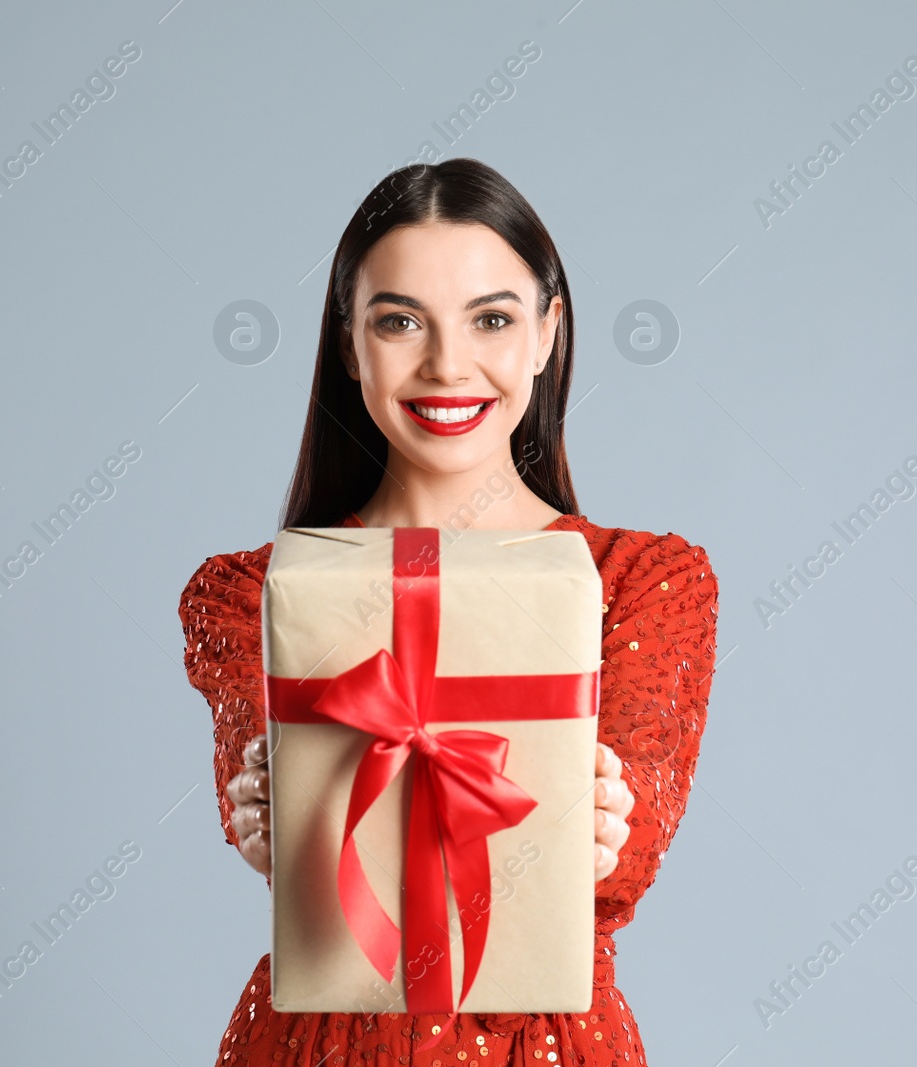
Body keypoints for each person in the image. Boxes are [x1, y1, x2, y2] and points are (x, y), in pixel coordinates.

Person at [178, 158, 719, 1065]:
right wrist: (262, 804)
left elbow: (627, 858)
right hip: (318, 1043)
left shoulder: (641, 581)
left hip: (543, 1043)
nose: (447, 365)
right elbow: (275, 824)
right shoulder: (249, 593)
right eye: (399, 322)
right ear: (349, 344)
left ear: (548, 332)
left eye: (493, 319)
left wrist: (605, 821)